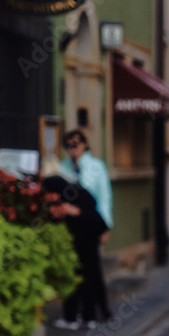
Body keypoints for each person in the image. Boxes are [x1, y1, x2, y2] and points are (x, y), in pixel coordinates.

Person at [57, 129, 113, 324]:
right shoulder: (62, 167)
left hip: (91, 224)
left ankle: (98, 311)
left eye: (76, 144)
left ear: (84, 145)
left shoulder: (96, 166)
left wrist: (105, 226)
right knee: (73, 269)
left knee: (92, 270)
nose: (72, 149)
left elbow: (104, 196)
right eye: (68, 145)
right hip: (71, 226)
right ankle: (77, 313)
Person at [42, 176, 111, 330]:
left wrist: (74, 212)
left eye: (49, 193)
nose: (49, 197)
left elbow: (94, 220)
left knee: (88, 280)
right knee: (75, 281)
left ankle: (88, 317)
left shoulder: (77, 195)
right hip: (74, 248)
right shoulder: (61, 199)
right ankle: (74, 317)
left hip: (87, 245)